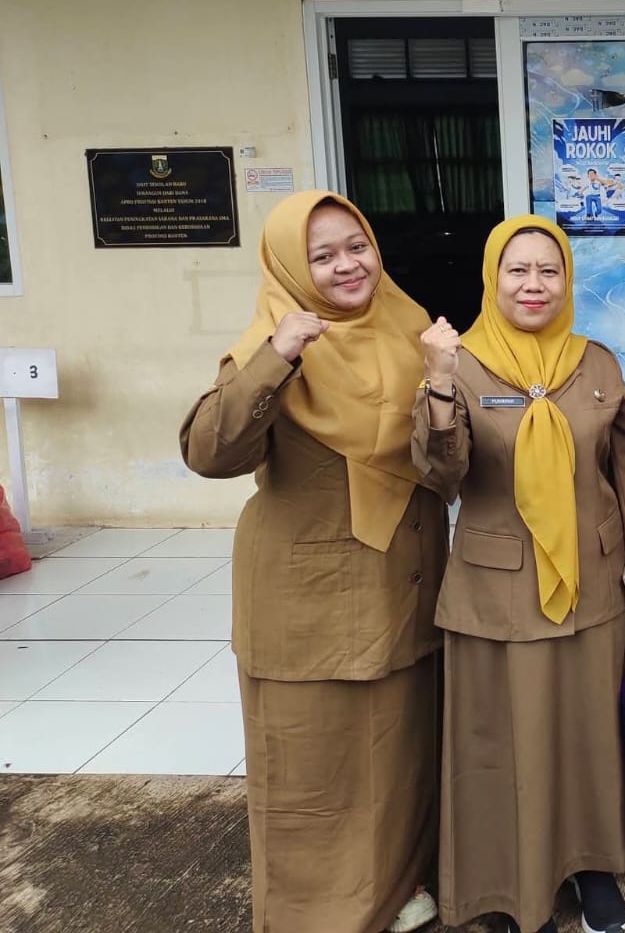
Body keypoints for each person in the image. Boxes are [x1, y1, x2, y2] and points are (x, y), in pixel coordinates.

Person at [179, 190, 447, 933]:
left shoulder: (410, 325)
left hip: (405, 580)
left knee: (396, 754)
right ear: (291, 269)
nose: (346, 266)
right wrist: (280, 356)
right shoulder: (266, 347)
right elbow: (209, 452)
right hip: (311, 598)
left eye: (356, 247)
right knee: (310, 764)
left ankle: (395, 891)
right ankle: (312, 915)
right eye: (321, 256)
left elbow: (444, 455)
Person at [414, 214, 625, 933]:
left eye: (548, 271)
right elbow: (442, 475)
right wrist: (436, 385)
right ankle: (512, 885)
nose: (534, 284)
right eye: (517, 270)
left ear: (567, 281)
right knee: (507, 743)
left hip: (593, 582)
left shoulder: (596, 363)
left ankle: (590, 864)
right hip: (499, 592)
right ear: (492, 279)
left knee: (587, 733)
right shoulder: (460, 364)